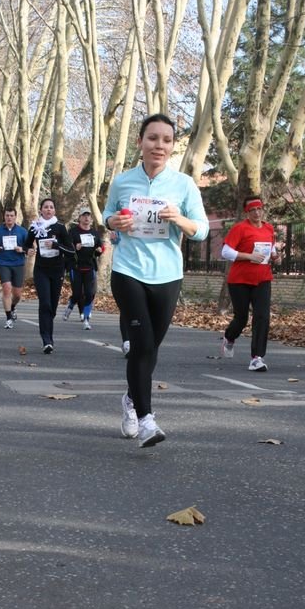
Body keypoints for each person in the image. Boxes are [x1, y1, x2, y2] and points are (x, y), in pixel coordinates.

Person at [103, 113, 209, 448]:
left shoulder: (184, 185)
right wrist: (114, 222)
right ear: (140, 142)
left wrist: (179, 218)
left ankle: (132, 400)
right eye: (152, 138)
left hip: (167, 275)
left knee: (152, 348)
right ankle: (147, 420)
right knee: (141, 343)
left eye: (166, 140)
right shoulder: (122, 182)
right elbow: (107, 215)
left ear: (172, 146)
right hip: (128, 271)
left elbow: (202, 229)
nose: (158, 145)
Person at [220, 197, 281, 372]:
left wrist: (276, 256)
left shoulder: (269, 228)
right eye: (253, 210)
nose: (257, 212)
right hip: (239, 280)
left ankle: (257, 358)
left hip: (262, 279)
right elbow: (225, 251)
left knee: (262, 317)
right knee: (241, 318)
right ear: (247, 212)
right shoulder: (240, 228)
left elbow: (271, 249)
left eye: (259, 209)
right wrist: (248, 256)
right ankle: (229, 337)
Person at [24, 198, 75, 353]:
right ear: (41, 210)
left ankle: (47, 329)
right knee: (44, 303)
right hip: (41, 270)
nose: (48, 209)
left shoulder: (60, 228)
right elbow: (27, 244)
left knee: (52, 306)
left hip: (57, 270)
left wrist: (57, 245)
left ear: (54, 211)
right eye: (45, 207)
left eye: (51, 207)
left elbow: (71, 251)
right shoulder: (35, 227)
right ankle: (47, 339)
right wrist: (29, 250)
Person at [0, 205, 28, 329]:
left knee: (18, 294)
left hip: (18, 264)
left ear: (15, 217)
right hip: (3, 263)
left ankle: (13, 307)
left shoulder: (22, 231)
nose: (9, 218)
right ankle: (8, 317)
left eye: (11, 216)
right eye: (7, 216)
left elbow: (30, 247)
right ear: (4, 217)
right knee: (6, 288)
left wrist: (22, 249)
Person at [63, 209, 104, 330]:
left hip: (90, 267)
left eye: (88, 216)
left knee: (89, 294)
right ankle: (70, 306)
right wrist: (75, 247)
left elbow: (99, 247)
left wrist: (99, 251)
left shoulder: (94, 233)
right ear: (79, 218)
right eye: (84, 216)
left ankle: (86, 319)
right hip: (76, 267)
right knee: (77, 294)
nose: (87, 218)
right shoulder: (73, 232)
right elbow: (68, 247)